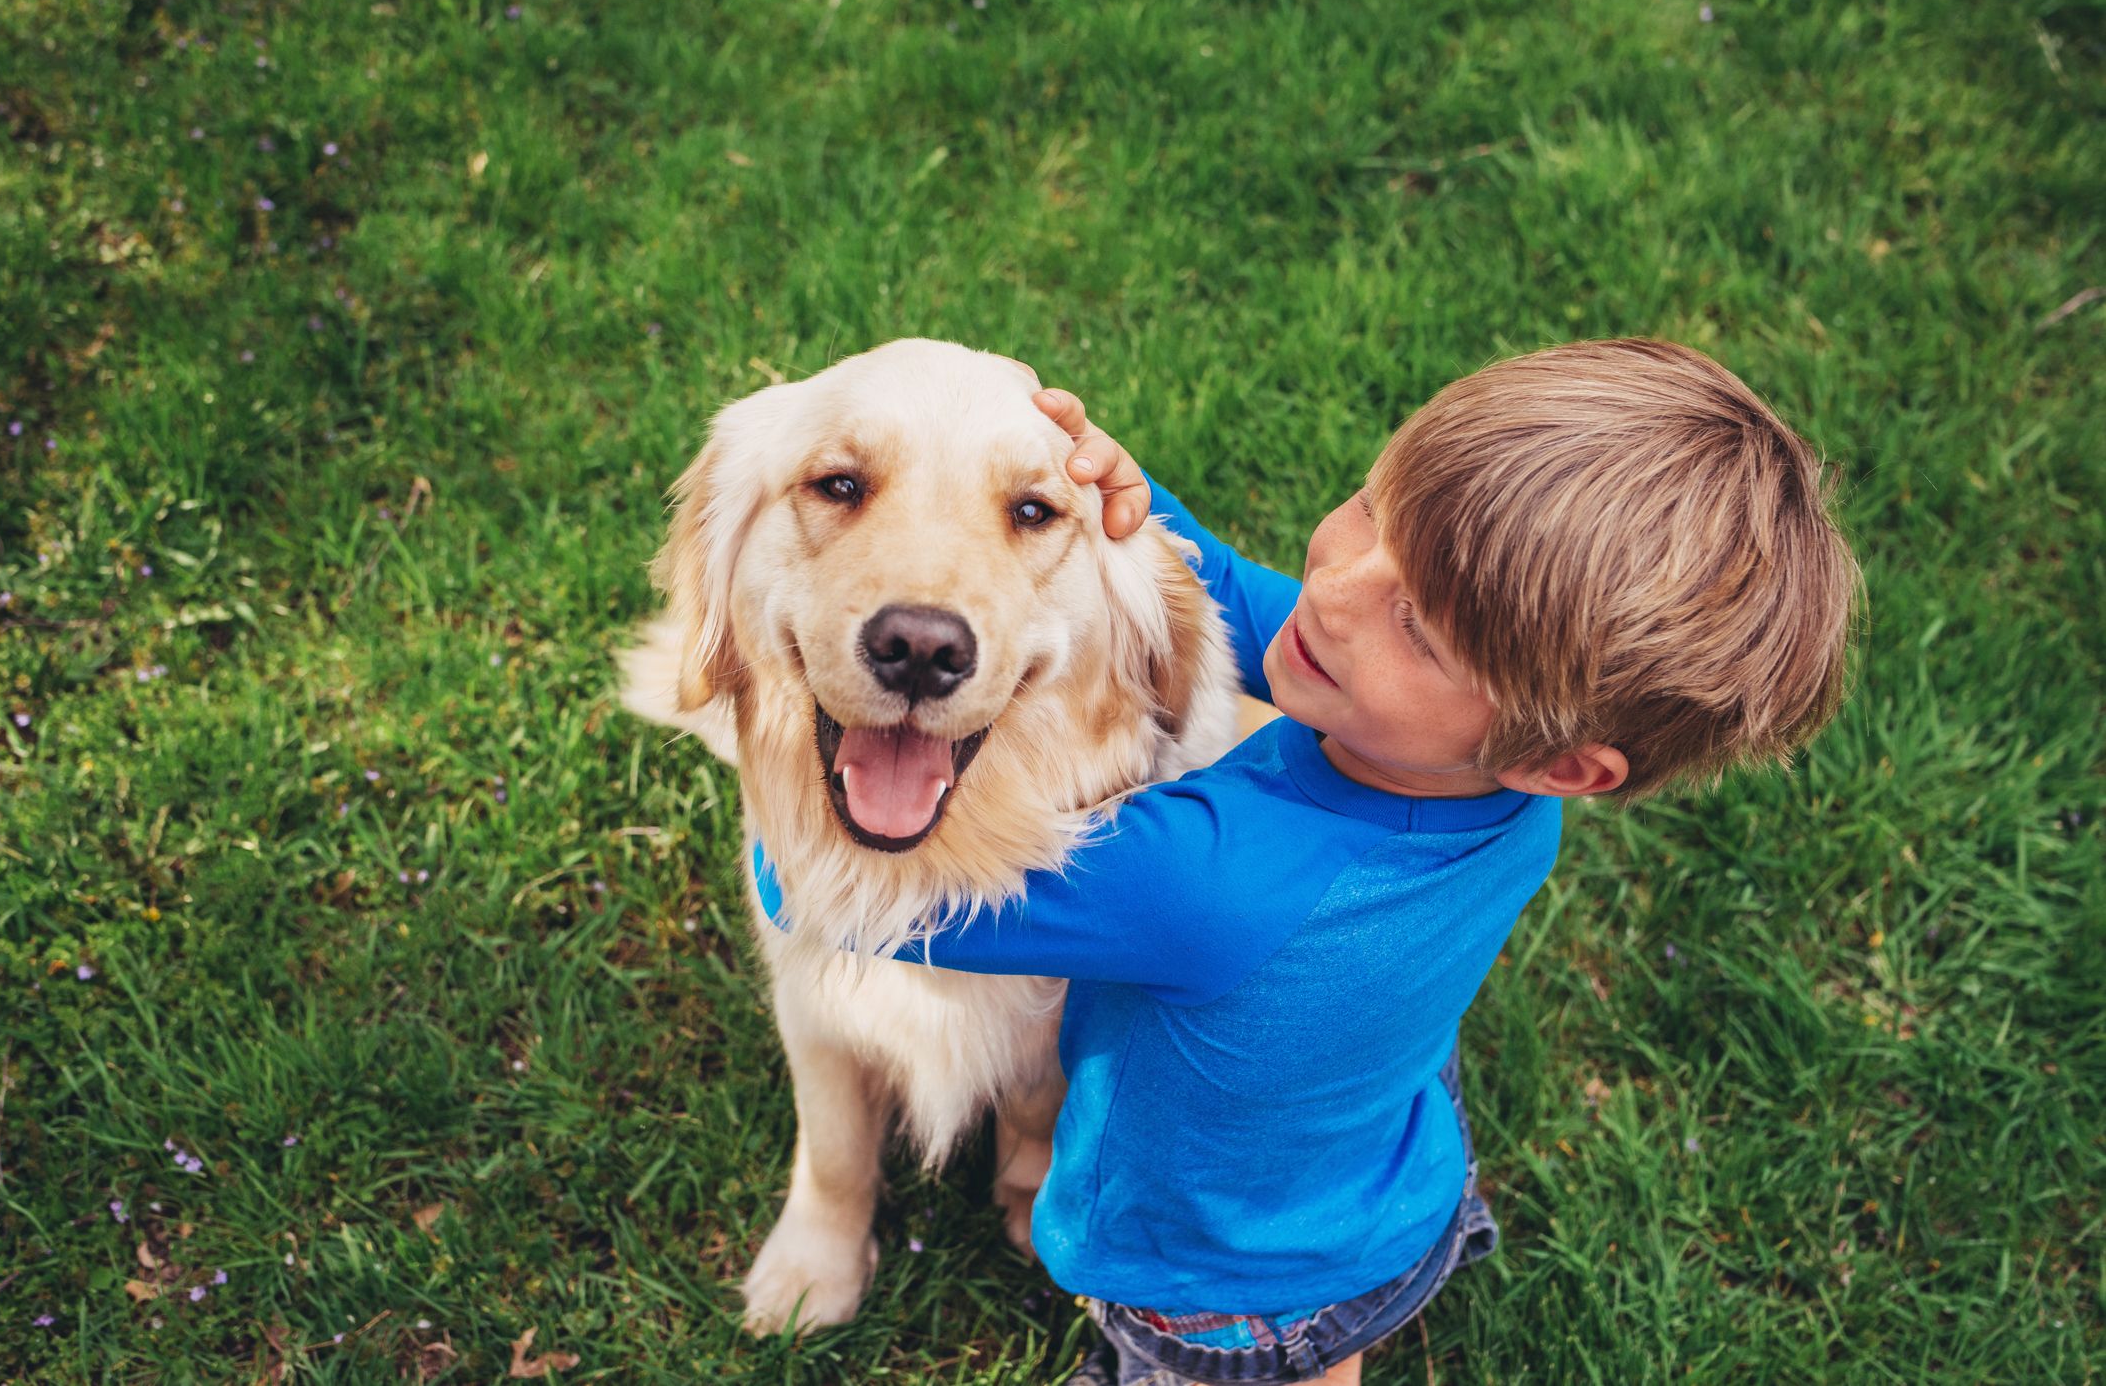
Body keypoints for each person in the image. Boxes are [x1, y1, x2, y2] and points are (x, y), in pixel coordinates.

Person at [757, 338, 1860, 1385]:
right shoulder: (1486, 777)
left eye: (1419, 625)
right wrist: (1125, 499)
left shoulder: (1200, 880)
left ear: (1565, 761)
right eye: (1371, 514)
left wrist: (794, 811)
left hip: (1207, 1283)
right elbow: (1235, 589)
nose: (1331, 594)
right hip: (1391, 1191)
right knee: (1326, 1326)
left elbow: (847, 898)